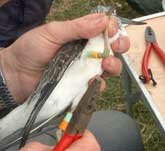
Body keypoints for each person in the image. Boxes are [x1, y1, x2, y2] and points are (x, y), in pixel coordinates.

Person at [0, 13, 144, 151]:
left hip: (57, 107)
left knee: (111, 123)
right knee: (121, 127)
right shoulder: (80, 44)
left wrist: (9, 72)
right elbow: (88, 54)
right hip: (45, 102)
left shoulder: (104, 49)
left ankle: (59, 131)